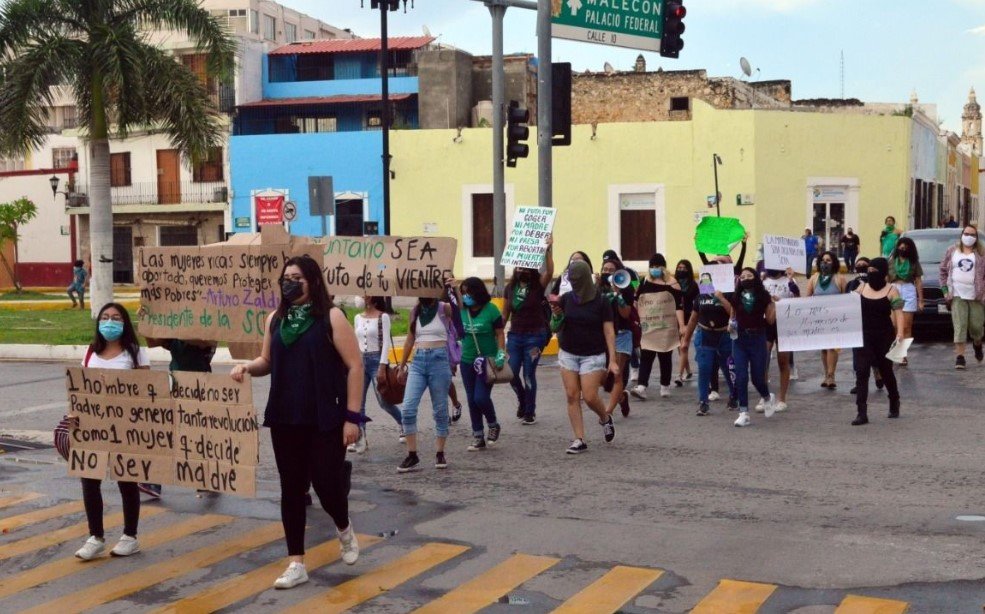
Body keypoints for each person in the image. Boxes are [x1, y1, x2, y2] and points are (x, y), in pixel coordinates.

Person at [230, 255, 364, 589]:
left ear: (313, 281)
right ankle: (296, 562)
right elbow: (267, 360)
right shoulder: (275, 319)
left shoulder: (331, 317)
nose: (290, 283)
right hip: (285, 415)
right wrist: (248, 367)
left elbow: (355, 366)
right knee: (292, 488)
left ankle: (344, 527)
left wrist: (352, 417)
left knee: (326, 483)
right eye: (285, 278)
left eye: (297, 277)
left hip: (325, 416)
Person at [73, 302, 150, 561]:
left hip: (126, 428)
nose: (109, 322)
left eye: (116, 317)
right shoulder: (90, 353)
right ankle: (95, 537)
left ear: (125, 323)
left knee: (126, 480)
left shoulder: (137, 354)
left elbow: (148, 393)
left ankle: (130, 536)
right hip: (93, 428)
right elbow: (79, 391)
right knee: (89, 480)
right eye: (105, 317)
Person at [550, 260, 618, 454]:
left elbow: (609, 332)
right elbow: (554, 327)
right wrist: (556, 315)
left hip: (593, 354)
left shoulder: (602, 301)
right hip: (568, 352)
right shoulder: (566, 299)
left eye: (578, 279)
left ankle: (605, 417)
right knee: (572, 395)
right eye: (572, 280)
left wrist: (612, 359)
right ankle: (579, 439)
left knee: (589, 396)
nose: (575, 283)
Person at [138, 336, 218, 499]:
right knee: (165, 432)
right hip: (175, 384)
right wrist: (149, 321)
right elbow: (152, 342)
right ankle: (155, 480)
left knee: (199, 434)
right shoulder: (174, 333)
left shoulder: (205, 328)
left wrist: (181, 330)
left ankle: (207, 477)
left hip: (200, 386)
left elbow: (208, 341)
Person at [397, 291, 459, 470]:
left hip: (439, 361)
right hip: (418, 361)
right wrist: (401, 367)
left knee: (440, 410)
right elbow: (410, 339)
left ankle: (440, 453)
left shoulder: (444, 308)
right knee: (408, 408)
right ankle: (412, 454)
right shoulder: (415, 311)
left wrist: (454, 290)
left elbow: (461, 313)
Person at [502, 237, 554, 425]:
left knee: (528, 373)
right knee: (511, 373)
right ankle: (523, 399)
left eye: (525, 267)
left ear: (531, 270)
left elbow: (549, 271)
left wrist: (548, 250)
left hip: (535, 337)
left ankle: (529, 412)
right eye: (519, 267)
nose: (521, 270)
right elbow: (504, 314)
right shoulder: (510, 288)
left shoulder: (538, 286)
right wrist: (494, 330)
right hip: (515, 337)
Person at [851, 258, 903, 425]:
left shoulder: (892, 291)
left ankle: (894, 400)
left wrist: (900, 333)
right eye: (869, 270)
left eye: (875, 271)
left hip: (884, 335)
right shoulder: (862, 287)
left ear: (883, 272)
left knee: (885, 370)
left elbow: (899, 313)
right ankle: (861, 412)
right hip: (863, 335)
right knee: (862, 371)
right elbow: (847, 305)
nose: (871, 273)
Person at [723, 268, 776, 427]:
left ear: (755, 278)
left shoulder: (763, 296)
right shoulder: (736, 296)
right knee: (740, 376)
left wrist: (775, 305)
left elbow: (771, 320)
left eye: (749, 276)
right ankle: (744, 412)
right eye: (743, 277)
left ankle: (767, 397)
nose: (745, 279)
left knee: (757, 378)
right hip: (739, 339)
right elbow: (732, 316)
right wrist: (730, 325)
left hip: (758, 339)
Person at [351, 296, 404, 453]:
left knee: (383, 400)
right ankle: (361, 438)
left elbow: (386, 342)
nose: (359, 298)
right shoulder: (357, 317)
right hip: (361, 361)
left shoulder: (383, 317)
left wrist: (382, 366)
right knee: (358, 403)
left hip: (376, 361)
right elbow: (356, 340)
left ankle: (403, 423)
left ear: (372, 298)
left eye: (363, 295)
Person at [459, 277, 507, 451]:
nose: (465, 296)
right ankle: (478, 435)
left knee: (480, 397)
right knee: (471, 399)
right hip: (466, 361)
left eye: (468, 292)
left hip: (487, 361)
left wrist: (501, 354)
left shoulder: (491, 310)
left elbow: (500, 334)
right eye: (463, 293)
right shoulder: (462, 310)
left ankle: (493, 424)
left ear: (477, 291)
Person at [631, 254, 685, 400]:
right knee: (646, 356)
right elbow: (637, 301)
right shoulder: (644, 282)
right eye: (652, 267)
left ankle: (665, 385)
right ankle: (642, 386)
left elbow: (678, 306)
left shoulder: (672, 283)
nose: (654, 269)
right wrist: (636, 319)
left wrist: (682, 326)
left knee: (665, 355)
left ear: (663, 267)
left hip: (666, 326)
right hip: (649, 327)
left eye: (657, 266)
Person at [682, 282, 735, 416]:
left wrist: (722, 299)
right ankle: (703, 402)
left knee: (728, 368)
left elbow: (733, 314)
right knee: (704, 368)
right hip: (705, 334)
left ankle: (734, 396)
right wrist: (686, 340)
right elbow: (693, 319)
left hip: (724, 335)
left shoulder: (728, 292)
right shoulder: (702, 294)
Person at [940, 225, 985, 369]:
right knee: (960, 326)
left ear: (976, 238)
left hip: (976, 296)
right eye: (966, 233)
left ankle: (977, 344)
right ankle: (960, 357)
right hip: (957, 294)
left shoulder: (981, 253)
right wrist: (945, 290)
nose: (969, 236)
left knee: (976, 327)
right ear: (961, 235)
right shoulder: (952, 251)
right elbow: (942, 271)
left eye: (972, 234)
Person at [599, 256, 635, 418]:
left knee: (617, 374)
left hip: (622, 334)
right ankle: (621, 397)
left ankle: (608, 412)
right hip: (603, 336)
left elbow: (626, 314)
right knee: (604, 379)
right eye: (604, 270)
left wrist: (618, 294)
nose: (607, 272)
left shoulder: (625, 288)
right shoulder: (598, 288)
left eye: (610, 270)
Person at [807, 250, 847, 388]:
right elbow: (807, 299)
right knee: (823, 348)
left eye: (828, 260)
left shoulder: (839, 278)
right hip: (819, 318)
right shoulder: (814, 278)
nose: (825, 263)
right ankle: (826, 374)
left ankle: (831, 375)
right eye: (823, 260)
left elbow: (846, 298)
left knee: (832, 347)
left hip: (835, 318)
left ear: (834, 262)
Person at [762, 267, 798, 413]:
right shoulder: (763, 281)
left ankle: (782, 398)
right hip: (766, 323)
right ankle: (764, 395)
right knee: (763, 359)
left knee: (783, 361)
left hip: (784, 323)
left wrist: (790, 280)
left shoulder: (790, 280)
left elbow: (797, 299)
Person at [846, 257, 884, 394]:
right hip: (856, 323)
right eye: (858, 264)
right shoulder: (851, 283)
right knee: (858, 355)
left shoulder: (875, 282)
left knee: (873, 351)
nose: (861, 266)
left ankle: (877, 371)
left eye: (864, 265)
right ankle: (859, 382)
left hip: (871, 322)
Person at [888, 236, 923, 365]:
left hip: (909, 289)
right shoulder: (891, 261)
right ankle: (894, 349)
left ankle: (902, 354)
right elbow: (886, 279)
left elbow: (918, 281)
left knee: (907, 326)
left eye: (906, 247)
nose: (903, 249)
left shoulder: (914, 262)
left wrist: (921, 300)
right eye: (901, 246)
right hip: (894, 289)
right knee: (895, 325)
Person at [674, 259, 699, 386]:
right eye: (679, 267)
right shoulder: (673, 283)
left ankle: (679, 375)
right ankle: (688, 370)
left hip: (689, 317)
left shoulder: (693, 285)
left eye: (684, 268)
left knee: (684, 345)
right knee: (680, 346)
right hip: (676, 317)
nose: (681, 270)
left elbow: (699, 301)